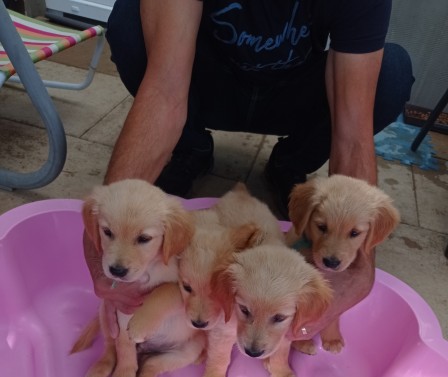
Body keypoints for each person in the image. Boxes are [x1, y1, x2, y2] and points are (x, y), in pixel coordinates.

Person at [87, 0, 414, 319]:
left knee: (390, 73)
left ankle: (291, 161)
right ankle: (191, 147)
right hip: (209, 81)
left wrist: (360, 267)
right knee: (130, 23)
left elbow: (352, 130)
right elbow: (164, 90)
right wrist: (108, 221)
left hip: (292, 94)